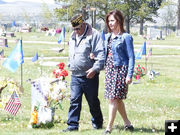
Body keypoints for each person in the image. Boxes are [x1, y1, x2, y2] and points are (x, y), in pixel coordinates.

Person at [63, 14, 105, 132]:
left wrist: (95, 69)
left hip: (89, 75)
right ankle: (72, 125)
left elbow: (101, 54)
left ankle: (97, 122)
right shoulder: (73, 36)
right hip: (75, 75)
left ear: (84, 24)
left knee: (92, 100)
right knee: (74, 100)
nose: (76, 31)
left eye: (78, 28)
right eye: (74, 29)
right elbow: (72, 52)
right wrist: (71, 65)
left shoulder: (94, 34)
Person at [104, 10, 135, 134]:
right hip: (109, 70)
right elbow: (104, 54)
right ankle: (127, 123)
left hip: (120, 70)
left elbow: (131, 57)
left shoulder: (126, 37)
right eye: (109, 21)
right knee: (118, 99)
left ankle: (108, 128)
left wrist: (129, 74)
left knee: (113, 99)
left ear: (119, 21)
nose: (110, 23)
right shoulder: (107, 37)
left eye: (112, 20)